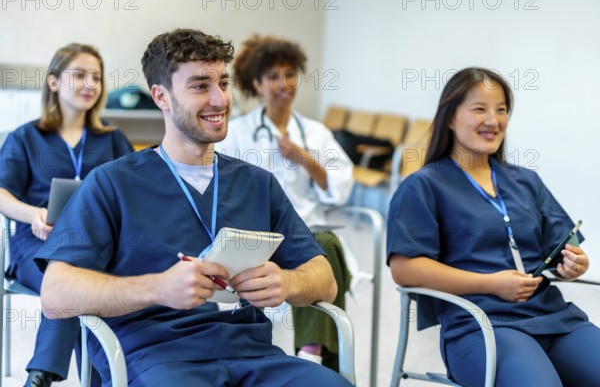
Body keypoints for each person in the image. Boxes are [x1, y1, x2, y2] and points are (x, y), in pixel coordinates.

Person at [34, 28, 353, 387]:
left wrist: (288, 282)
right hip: (158, 359)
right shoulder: (112, 184)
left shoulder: (257, 184)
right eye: (200, 86)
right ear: (162, 97)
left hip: (253, 357)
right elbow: (56, 293)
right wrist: (158, 288)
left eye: (223, 83)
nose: (219, 100)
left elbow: (324, 278)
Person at [387, 67, 600, 387]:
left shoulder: (526, 181)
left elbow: (563, 247)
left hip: (555, 319)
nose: (493, 119)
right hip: (479, 324)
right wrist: (491, 284)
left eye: (501, 110)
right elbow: (405, 270)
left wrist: (574, 263)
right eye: (479, 109)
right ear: (449, 118)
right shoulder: (423, 186)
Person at [215, 34, 354, 370]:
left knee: (322, 245)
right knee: (321, 252)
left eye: (290, 75)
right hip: (256, 236)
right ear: (256, 83)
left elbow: (340, 188)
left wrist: (303, 158)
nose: (284, 84)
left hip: (308, 232)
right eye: (273, 76)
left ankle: (309, 353)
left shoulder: (315, 134)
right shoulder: (236, 133)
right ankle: (320, 366)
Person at [0, 43, 133, 387]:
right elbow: (1, 192)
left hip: (97, 246)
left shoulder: (113, 139)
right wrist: (33, 213)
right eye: (80, 75)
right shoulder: (25, 137)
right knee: (71, 279)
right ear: (55, 82)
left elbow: (132, 196)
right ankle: (72, 377)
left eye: (97, 78)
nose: (90, 84)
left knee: (84, 275)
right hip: (37, 244)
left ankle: (43, 375)